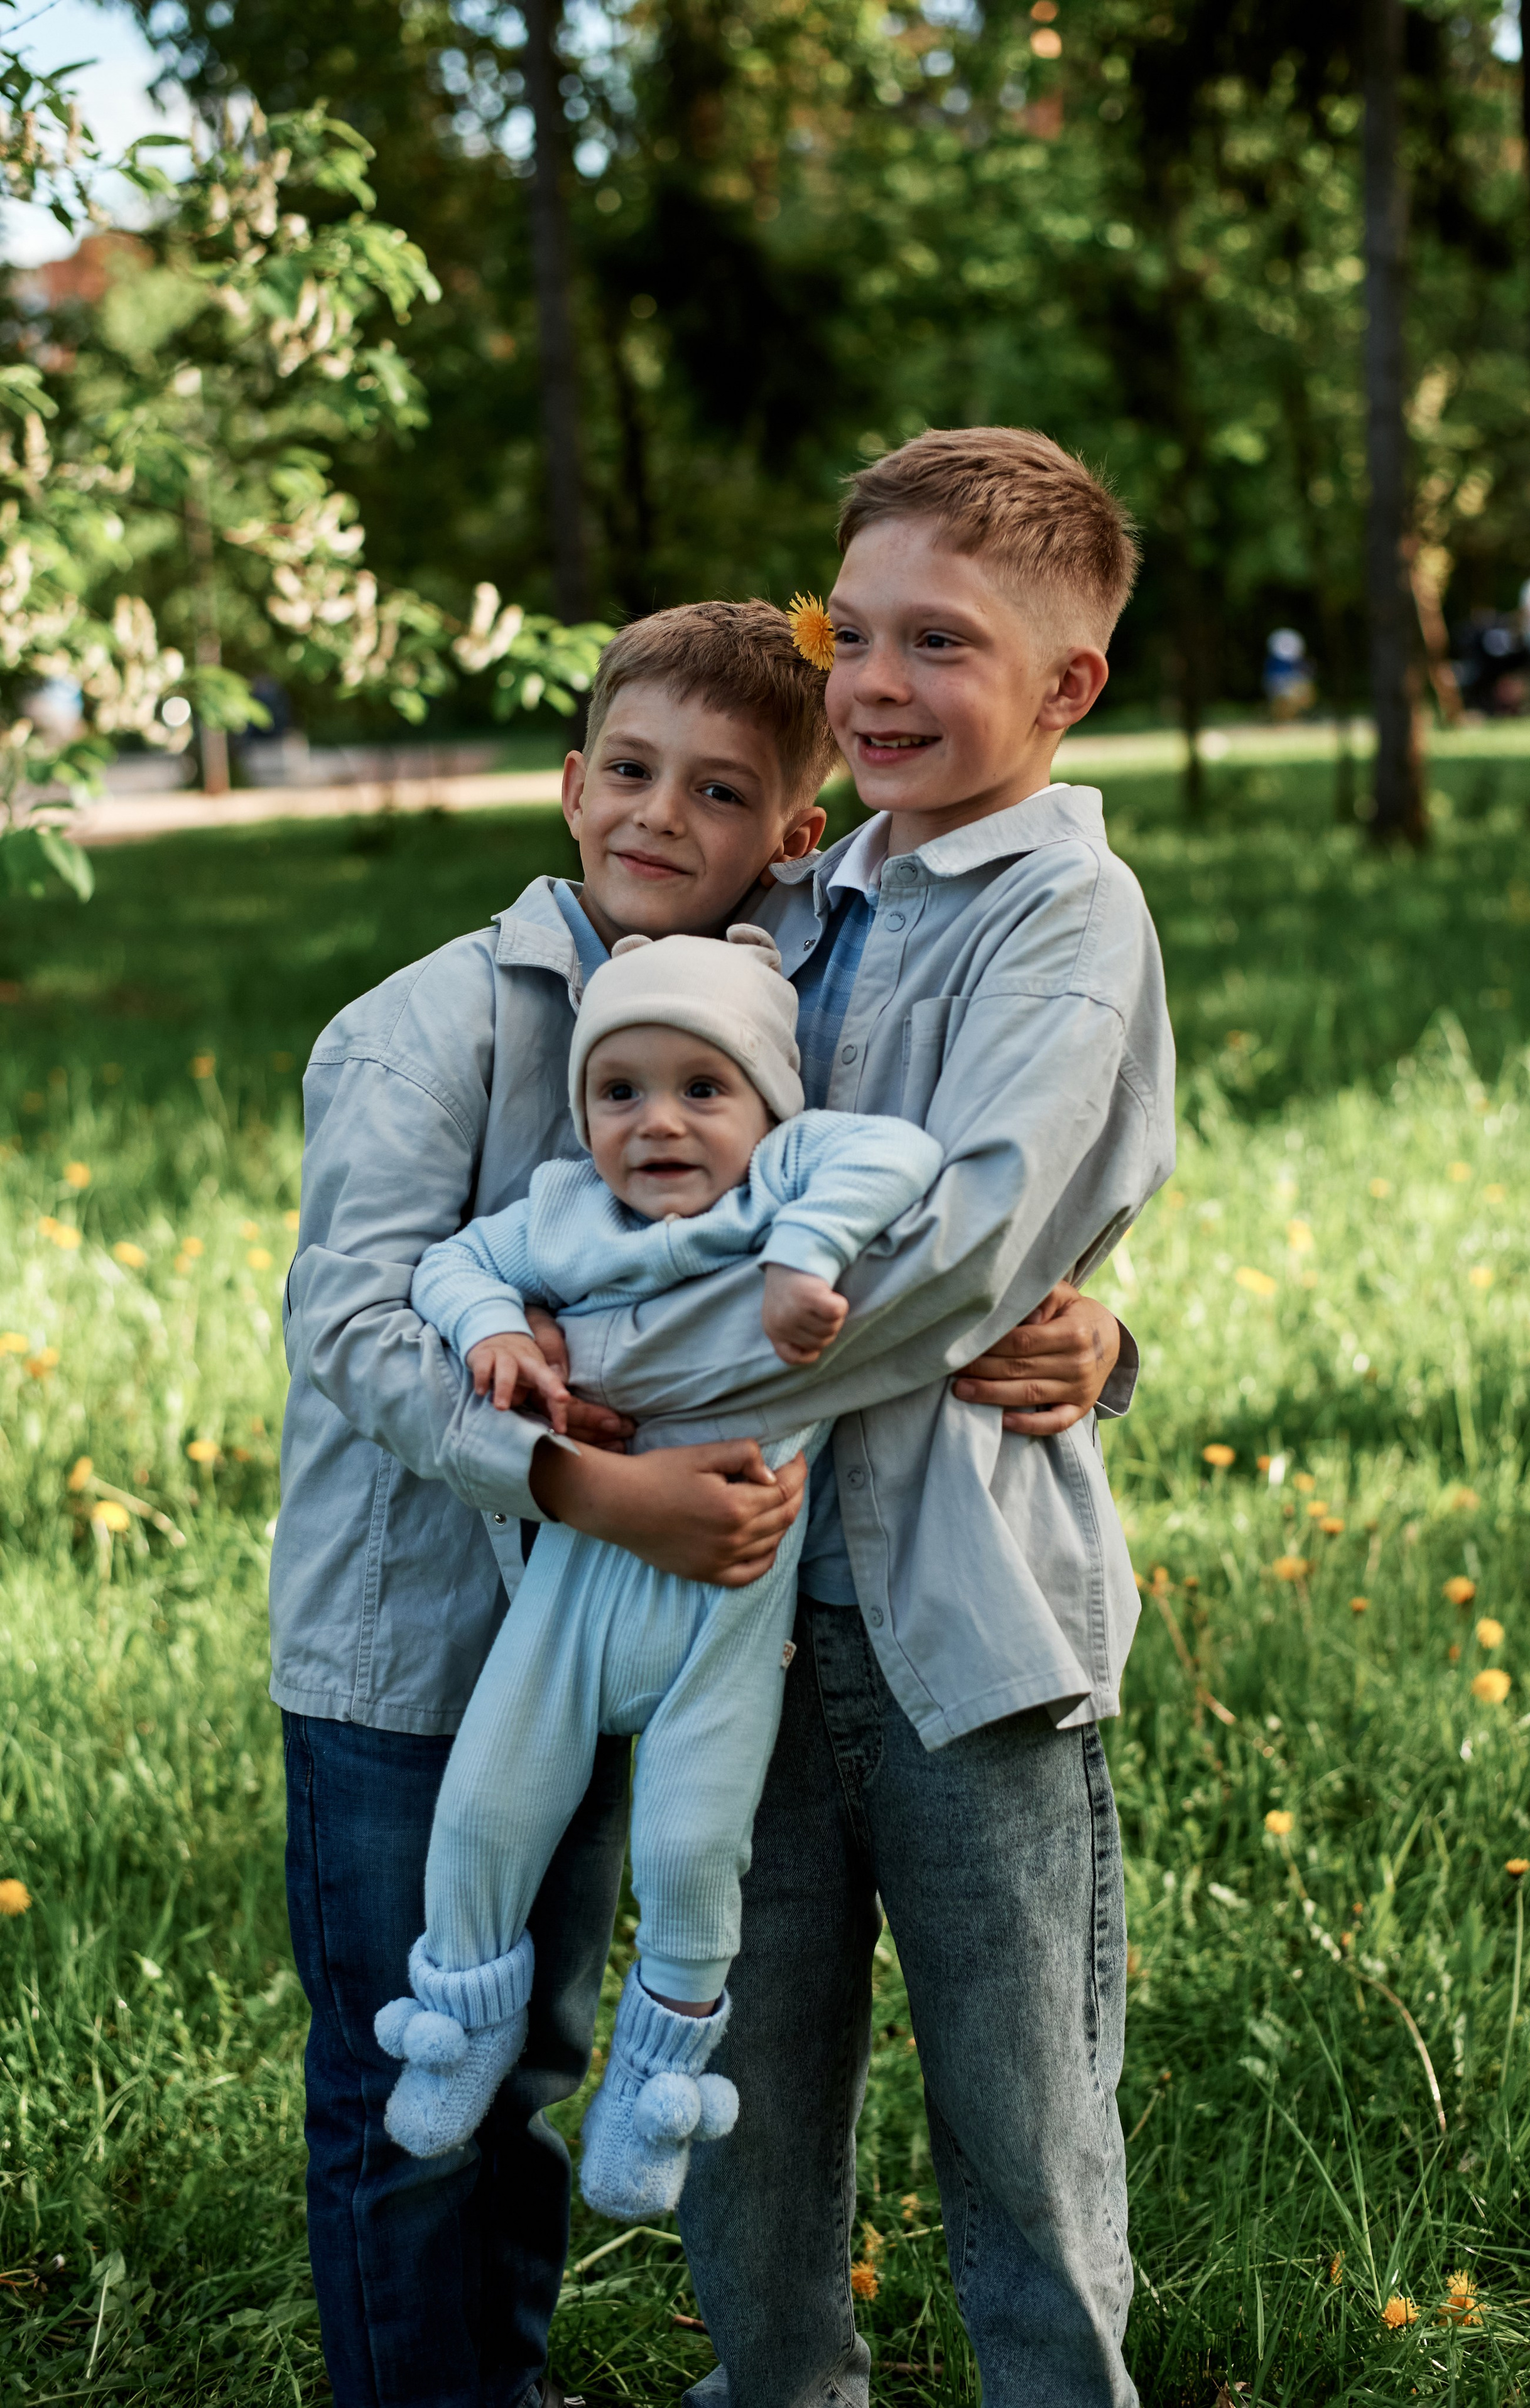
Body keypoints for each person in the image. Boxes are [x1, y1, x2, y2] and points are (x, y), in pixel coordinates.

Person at [271, 595, 1126, 2408]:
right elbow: (356, 1329)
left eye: (724, 792)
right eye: (634, 774)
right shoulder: (430, 1027)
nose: (668, 817)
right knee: (409, 2066)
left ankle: (499, 2375)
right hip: (422, 1622)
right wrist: (590, 1480)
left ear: (789, 840)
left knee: (542, 2031)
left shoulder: (780, 988)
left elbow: (934, 1209)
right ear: (571, 786)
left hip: (613, 1626)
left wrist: (1102, 1336)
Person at [545, 428, 1176, 2408]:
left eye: (946, 644)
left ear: (1068, 686)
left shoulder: (1065, 925)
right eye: (858, 634)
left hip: (959, 1620)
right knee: (742, 2083)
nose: (881, 685)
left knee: (1020, 2117)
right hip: (740, 1608)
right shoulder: (806, 899)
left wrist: (622, 1400)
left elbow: (971, 1256)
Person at [373, 924, 941, 2215]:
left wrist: (805, 1253)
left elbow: (898, 1152)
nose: (658, 1124)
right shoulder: (567, 1213)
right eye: (617, 1092)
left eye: (704, 1088)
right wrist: (502, 1331)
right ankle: (456, 2020)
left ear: (764, 1104)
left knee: (692, 1850)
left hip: (725, 1624)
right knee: (482, 1810)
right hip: (577, 1590)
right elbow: (448, 1261)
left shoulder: (780, 1186)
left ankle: (656, 2085)